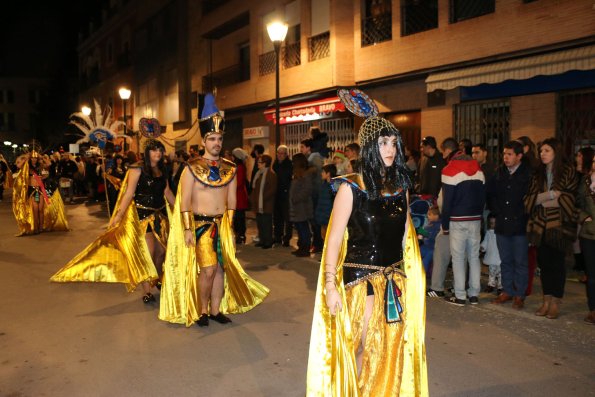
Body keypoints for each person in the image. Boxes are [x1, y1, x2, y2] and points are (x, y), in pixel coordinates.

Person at [307, 89, 427, 396]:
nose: (389, 149)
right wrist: (331, 287)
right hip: (360, 281)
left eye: (393, 143)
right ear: (370, 146)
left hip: (393, 282)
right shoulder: (352, 187)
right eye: (382, 143)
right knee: (359, 347)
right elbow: (333, 240)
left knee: (387, 350)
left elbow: (403, 239)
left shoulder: (401, 189)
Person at [159, 94, 269, 327]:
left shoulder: (230, 168)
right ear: (204, 142)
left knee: (220, 269)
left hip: (222, 225)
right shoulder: (191, 168)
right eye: (212, 139)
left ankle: (216, 309)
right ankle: (201, 311)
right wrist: (188, 229)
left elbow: (232, 202)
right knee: (208, 269)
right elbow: (185, 201)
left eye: (219, 138)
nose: (217, 143)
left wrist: (229, 227)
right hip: (201, 226)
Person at [51, 139, 176, 303]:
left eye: (160, 149)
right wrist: (118, 215)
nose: (158, 153)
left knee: (161, 254)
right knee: (148, 254)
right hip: (143, 217)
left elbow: (167, 191)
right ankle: (147, 291)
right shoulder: (137, 169)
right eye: (154, 150)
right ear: (147, 153)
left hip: (161, 216)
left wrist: (182, 209)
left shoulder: (162, 170)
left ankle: (157, 279)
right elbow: (129, 193)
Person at [525, 138, 578, 319]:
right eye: (541, 151)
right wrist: (550, 195)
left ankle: (555, 302)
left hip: (560, 226)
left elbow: (569, 198)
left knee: (557, 265)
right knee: (545, 264)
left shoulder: (568, 171)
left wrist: (545, 199)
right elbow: (530, 199)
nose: (542, 154)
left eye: (546, 150)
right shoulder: (537, 173)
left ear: (556, 151)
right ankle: (546, 300)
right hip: (540, 225)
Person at [487, 140, 532, 309]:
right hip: (502, 224)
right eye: (504, 154)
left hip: (520, 224)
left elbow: (530, 198)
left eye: (510, 154)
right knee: (505, 260)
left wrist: (522, 215)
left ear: (519, 156)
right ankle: (507, 291)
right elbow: (490, 195)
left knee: (520, 261)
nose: (506, 157)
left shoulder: (527, 174)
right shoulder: (499, 172)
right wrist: (497, 212)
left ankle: (519, 294)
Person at [441, 148, 486, 306]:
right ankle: (474, 295)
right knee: (474, 257)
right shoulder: (479, 171)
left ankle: (460, 295)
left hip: (457, 219)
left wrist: (445, 225)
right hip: (475, 219)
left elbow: (447, 203)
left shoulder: (449, 171)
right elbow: (483, 198)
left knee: (458, 258)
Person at [577, 156, 595, 324]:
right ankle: (593, 309)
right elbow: (577, 204)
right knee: (591, 274)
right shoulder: (586, 181)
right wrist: (584, 217)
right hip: (588, 234)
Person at [300, 138, 324, 253]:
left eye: (303, 147)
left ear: (308, 148)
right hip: (312, 193)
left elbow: (314, 176)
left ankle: (317, 244)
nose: (301, 149)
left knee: (316, 221)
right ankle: (316, 243)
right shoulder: (310, 158)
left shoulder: (314, 158)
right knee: (313, 220)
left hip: (315, 193)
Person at [250, 154, 277, 249]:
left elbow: (272, 189)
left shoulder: (271, 175)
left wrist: (263, 198)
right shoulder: (259, 174)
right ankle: (262, 240)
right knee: (260, 223)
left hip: (266, 204)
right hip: (259, 203)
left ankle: (268, 241)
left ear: (265, 163)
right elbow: (255, 188)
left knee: (266, 224)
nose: (258, 164)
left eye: (260, 162)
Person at [289, 153, 313, 257]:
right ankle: (301, 247)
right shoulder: (298, 173)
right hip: (297, 206)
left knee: (303, 228)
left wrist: (296, 198)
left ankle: (305, 249)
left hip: (302, 207)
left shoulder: (305, 175)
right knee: (299, 228)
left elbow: (306, 190)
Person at [273, 145, 293, 246]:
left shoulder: (289, 165)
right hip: (276, 194)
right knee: (277, 218)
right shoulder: (275, 164)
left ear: (286, 154)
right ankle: (277, 237)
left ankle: (286, 238)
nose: (280, 155)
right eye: (279, 153)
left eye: (282, 153)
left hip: (285, 194)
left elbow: (289, 179)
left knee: (287, 218)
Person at [481, 214, 502, 294]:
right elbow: (485, 242)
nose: (494, 225)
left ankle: (500, 287)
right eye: (492, 223)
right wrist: (482, 247)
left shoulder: (501, 233)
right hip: (491, 256)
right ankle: (491, 284)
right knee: (492, 272)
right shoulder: (488, 233)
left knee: (500, 273)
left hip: (499, 257)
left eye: (495, 223)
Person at [314, 164, 337, 239]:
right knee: (324, 237)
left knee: (329, 238)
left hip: (329, 218)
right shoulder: (323, 185)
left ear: (328, 174)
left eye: (323, 172)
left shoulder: (334, 186)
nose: (321, 173)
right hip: (322, 217)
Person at [232, 147, 249, 244]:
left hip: (239, 196)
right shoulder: (237, 167)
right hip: (237, 196)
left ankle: (241, 235)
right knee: (237, 218)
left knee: (240, 218)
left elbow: (238, 183)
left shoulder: (240, 167)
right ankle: (239, 234)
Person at [418, 207, 441, 276]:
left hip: (434, 248)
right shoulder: (428, 224)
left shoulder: (439, 226)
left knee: (426, 260)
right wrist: (420, 234)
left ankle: (422, 275)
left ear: (436, 216)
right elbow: (424, 234)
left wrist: (424, 235)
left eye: (429, 214)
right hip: (426, 246)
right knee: (416, 253)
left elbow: (434, 237)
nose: (428, 216)